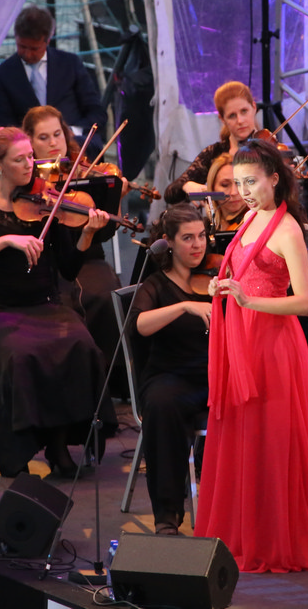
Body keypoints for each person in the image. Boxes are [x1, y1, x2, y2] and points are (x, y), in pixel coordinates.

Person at [194, 137, 308, 572]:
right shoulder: (251, 217)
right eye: (238, 183)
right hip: (243, 341)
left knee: (270, 444)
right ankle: (244, 533)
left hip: (273, 348)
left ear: (274, 179)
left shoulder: (287, 229)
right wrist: (224, 288)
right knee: (245, 442)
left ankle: (272, 540)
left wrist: (248, 300)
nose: (244, 192)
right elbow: (244, 277)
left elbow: (306, 302)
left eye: (251, 182)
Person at [0, 127, 112, 478]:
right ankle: (19, 453)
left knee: (80, 345)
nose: (29, 165)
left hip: (46, 305)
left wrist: (86, 234)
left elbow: (68, 268)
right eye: (19, 159)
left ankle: (59, 445)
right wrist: (5, 240)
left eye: (31, 158)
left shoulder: (44, 202)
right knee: (21, 355)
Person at [23, 104, 128, 401]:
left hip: (90, 260)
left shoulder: (85, 174)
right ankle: (74, 388)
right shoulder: (25, 181)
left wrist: (114, 201)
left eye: (57, 134)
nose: (53, 143)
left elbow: (106, 233)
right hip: (48, 264)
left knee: (105, 297)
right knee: (66, 303)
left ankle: (110, 381)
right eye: (43, 137)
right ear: (29, 142)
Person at [129, 203, 213, 536]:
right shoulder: (155, 284)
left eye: (202, 236)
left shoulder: (216, 276)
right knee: (162, 407)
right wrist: (183, 306)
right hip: (170, 376)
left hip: (214, 375)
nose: (198, 245)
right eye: (188, 238)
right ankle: (167, 514)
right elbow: (139, 324)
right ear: (169, 242)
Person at [0, 6, 106, 155]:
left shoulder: (70, 64)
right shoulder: (2, 75)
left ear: (48, 40)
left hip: (76, 146)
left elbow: (97, 113)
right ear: (16, 37)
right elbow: (4, 126)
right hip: (30, 153)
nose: (27, 54)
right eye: (22, 46)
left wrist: (70, 132)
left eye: (34, 49)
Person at [163, 80, 260, 204]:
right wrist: (187, 185)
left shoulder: (269, 148)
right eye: (232, 116)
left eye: (244, 111)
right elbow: (170, 195)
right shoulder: (215, 153)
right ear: (222, 119)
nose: (240, 120)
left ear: (254, 107)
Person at [202, 152, 246, 232]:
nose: (234, 192)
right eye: (225, 185)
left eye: (239, 183)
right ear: (212, 188)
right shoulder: (205, 226)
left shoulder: (256, 220)